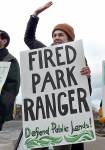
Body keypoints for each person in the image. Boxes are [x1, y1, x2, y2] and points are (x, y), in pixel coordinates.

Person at [24, 1, 92, 150]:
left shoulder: (79, 58)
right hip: (45, 115)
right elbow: (29, 39)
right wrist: (35, 15)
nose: (56, 37)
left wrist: (87, 77)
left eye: (61, 35)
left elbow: (87, 92)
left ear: (70, 39)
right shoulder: (43, 52)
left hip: (68, 117)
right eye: (54, 35)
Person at [0, 30, 20, 130]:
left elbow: (13, 87)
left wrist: (2, 104)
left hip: (2, 113)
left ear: (4, 41)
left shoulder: (10, 60)